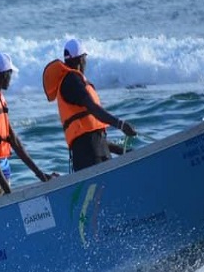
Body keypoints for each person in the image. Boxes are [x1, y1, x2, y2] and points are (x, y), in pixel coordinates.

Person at [0, 52, 56, 202]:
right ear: (4, 74)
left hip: (3, 175)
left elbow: (15, 142)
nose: (11, 78)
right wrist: (9, 192)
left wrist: (41, 175)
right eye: (10, 73)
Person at [43, 38, 138, 172]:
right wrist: (120, 124)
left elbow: (94, 136)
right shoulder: (72, 80)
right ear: (80, 59)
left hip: (90, 152)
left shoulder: (70, 81)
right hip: (91, 155)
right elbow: (93, 108)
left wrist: (122, 151)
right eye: (85, 58)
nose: (86, 62)